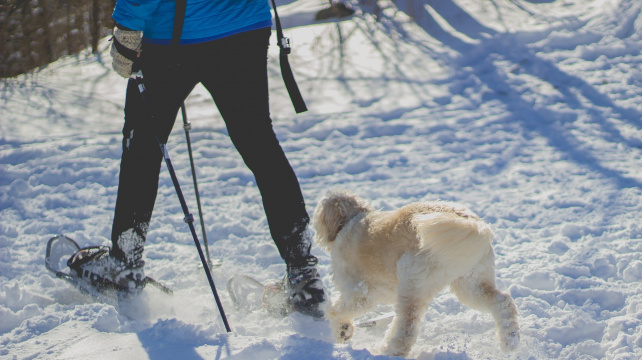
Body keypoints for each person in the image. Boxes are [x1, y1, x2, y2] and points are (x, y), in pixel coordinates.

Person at [68, 0, 325, 318]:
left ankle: (124, 265)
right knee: (259, 143)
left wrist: (129, 26)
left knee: (143, 148)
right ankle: (303, 275)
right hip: (243, 26)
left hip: (172, 36)